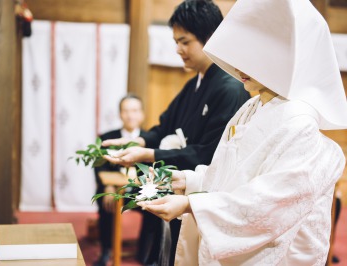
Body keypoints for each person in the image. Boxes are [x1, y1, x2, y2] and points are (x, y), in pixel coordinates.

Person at [138, 0, 347, 265]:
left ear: (285, 57)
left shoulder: (299, 122)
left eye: (253, 55)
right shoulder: (253, 106)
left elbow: (270, 204)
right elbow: (231, 176)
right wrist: (188, 181)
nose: (239, 65)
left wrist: (193, 204)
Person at [103, 0, 250, 264]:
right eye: (176, 42)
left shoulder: (229, 88)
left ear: (211, 38)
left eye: (185, 42)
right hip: (178, 188)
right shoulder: (195, 83)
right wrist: (136, 140)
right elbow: (164, 126)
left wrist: (146, 153)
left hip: (200, 194)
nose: (178, 49)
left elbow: (208, 153)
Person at [93, 94, 146, 266]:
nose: (130, 115)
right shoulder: (108, 138)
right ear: (120, 114)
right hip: (113, 189)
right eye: (126, 111)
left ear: (142, 114)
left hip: (140, 190)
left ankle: (146, 252)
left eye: (135, 110)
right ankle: (106, 250)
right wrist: (108, 186)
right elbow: (99, 166)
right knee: (105, 202)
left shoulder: (150, 138)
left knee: (156, 207)